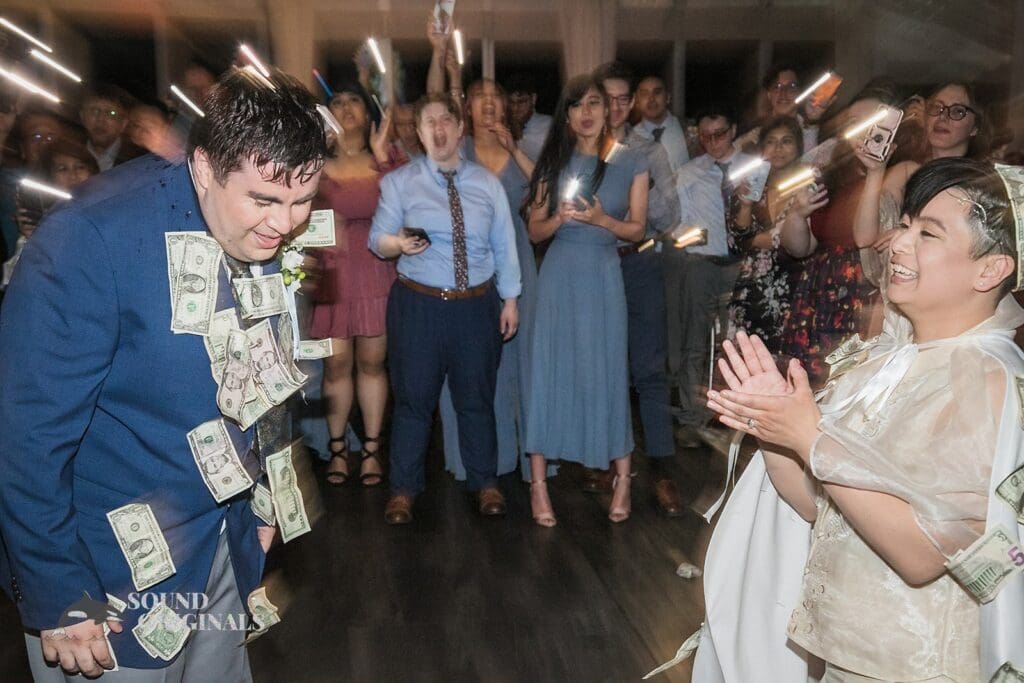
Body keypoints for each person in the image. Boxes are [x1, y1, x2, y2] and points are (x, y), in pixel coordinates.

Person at [0, 67, 328, 679]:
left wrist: (262, 506)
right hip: (106, 585)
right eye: (263, 200)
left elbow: (266, 372)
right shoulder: (89, 240)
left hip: (222, 548)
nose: (285, 224)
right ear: (203, 167)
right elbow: (23, 438)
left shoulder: (266, 232)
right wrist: (58, 594)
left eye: (302, 201)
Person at [702, 157, 1024, 682]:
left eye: (928, 234)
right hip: (843, 652)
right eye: (906, 224)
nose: (897, 243)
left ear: (990, 270)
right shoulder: (891, 359)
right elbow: (820, 506)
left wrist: (809, 437)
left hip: (912, 668)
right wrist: (774, 428)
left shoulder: (987, 381)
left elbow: (923, 554)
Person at [368, 93, 521, 525]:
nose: (438, 130)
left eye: (445, 121)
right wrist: (398, 243)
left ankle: (485, 482)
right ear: (418, 133)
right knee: (413, 401)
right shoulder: (399, 182)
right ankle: (403, 490)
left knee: (476, 400)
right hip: (418, 306)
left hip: (476, 307)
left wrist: (510, 298)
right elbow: (377, 240)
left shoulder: (487, 184)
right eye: (428, 122)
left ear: (459, 128)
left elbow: (504, 244)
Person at [524, 74, 649, 527]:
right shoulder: (552, 162)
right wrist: (559, 217)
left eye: (594, 103)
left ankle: (623, 479)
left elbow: (637, 229)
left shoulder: (631, 160)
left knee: (608, 371)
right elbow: (534, 230)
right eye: (577, 105)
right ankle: (539, 485)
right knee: (549, 371)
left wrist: (602, 221)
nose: (587, 113)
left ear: (609, 109)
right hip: (559, 274)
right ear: (567, 114)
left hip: (603, 272)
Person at [429, 76, 539, 486]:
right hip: (469, 263)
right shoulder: (457, 153)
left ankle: (523, 454)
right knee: (470, 361)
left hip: (517, 260)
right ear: (467, 108)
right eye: (479, 97)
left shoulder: (521, 152)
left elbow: (546, 194)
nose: (489, 102)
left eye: (496, 96)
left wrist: (515, 150)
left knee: (520, 359)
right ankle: (475, 458)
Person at [592, 61, 682, 515]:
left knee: (649, 370)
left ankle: (662, 471)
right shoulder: (580, 148)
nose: (613, 108)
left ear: (631, 105)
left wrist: (636, 191)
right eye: (604, 99)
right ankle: (606, 462)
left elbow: (670, 216)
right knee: (602, 369)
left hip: (640, 261)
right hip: (595, 266)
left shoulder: (648, 150)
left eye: (622, 99)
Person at [311, 80, 405, 487]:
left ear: (368, 114)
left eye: (354, 101)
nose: (346, 107)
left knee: (371, 363)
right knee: (335, 367)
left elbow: (411, 203)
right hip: (331, 273)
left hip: (375, 270)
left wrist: (384, 157)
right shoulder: (312, 161)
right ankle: (337, 450)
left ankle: (370, 450)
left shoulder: (389, 159)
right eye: (338, 101)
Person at [779, 86, 896, 383]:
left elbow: (865, 238)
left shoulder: (898, 173)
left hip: (863, 297)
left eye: (872, 121)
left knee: (848, 383)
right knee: (809, 384)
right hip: (818, 293)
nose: (862, 130)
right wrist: (797, 214)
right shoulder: (832, 175)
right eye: (853, 122)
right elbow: (800, 247)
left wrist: (876, 172)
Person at [669, 105, 756, 448]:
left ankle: (731, 418)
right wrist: (693, 236)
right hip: (702, 263)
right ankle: (692, 417)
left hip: (743, 263)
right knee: (695, 341)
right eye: (705, 137)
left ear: (732, 130)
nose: (713, 142)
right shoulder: (690, 172)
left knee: (735, 342)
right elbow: (678, 224)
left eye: (719, 134)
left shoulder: (753, 166)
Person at [725, 116, 802, 352]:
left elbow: (795, 244)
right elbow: (735, 243)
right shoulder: (748, 186)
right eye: (771, 141)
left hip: (795, 291)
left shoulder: (808, 186)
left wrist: (755, 239)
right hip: (751, 294)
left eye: (786, 141)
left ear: (798, 147)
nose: (778, 148)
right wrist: (746, 206)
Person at [79, 84, 144, 171]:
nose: (101, 119)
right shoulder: (68, 155)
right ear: (82, 117)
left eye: (111, 113)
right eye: (94, 111)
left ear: (124, 123)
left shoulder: (139, 161)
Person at [632, 75, 690, 173]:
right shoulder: (628, 140)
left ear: (668, 97)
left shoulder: (690, 131)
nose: (651, 99)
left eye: (657, 92)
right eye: (644, 94)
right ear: (636, 101)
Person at [507, 73, 552, 163]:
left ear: (533, 99)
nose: (515, 108)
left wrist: (518, 138)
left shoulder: (550, 126)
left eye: (521, 102)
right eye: (511, 102)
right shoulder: (504, 127)